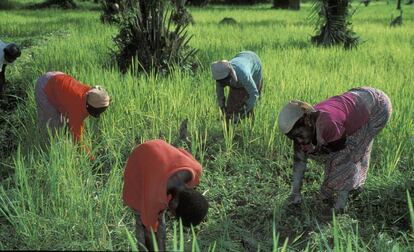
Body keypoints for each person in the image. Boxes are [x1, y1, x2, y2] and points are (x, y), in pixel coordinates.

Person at [278, 87, 392, 211]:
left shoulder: (327, 124)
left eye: (300, 135)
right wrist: (294, 194)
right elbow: (299, 161)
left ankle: (341, 204)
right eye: (294, 138)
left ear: (307, 121)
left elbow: (342, 157)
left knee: (348, 154)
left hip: (377, 107)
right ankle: (349, 188)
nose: (299, 141)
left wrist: (320, 150)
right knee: (328, 153)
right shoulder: (305, 127)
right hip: (358, 99)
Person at [123, 139, 209, 251]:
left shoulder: (196, 169)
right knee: (143, 222)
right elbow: (149, 234)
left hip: (159, 147)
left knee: (158, 221)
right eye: (174, 215)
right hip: (137, 162)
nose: (172, 216)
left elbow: (182, 152)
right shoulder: (153, 199)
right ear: (173, 204)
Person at [35, 71, 110, 157]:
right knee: (53, 127)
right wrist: (92, 160)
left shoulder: (92, 94)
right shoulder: (77, 109)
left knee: (64, 123)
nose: (99, 115)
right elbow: (78, 141)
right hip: (45, 86)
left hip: (58, 77)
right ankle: (47, 152)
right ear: (90, 107)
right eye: (97, 112)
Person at [211, 51, 263, 123]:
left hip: (254, 61)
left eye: (225, 81)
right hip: (241, 56)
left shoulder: (244, 75)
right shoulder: (219, 77)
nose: (223, 84)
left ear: (230, 74)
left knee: (250, 106)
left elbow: (254, 94)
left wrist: (242, 111)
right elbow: (220, 95)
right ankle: (232, 127)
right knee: (231, 108)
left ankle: (250, 126)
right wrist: (222, 108)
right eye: (221, 82)